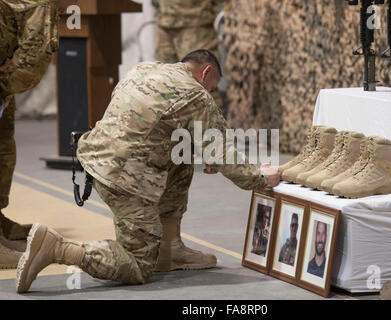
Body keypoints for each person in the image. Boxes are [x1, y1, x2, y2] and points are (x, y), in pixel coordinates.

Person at [15, 49, 281, 293]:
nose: (209, 94)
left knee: (182, 149)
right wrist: (259, 177)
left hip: (94, 158)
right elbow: (221, 154)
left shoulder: (143, 69)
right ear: (206, 72)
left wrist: (199, 146)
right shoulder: (196, 94)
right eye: (211, 88)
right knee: (138, 265)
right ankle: (57, 248)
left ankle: (169, 248)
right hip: (124, 180)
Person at [0, 0, 78, 269]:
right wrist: (5, 85)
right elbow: (31, 63)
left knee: (3, 150)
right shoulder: (43, 3)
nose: (74, 5)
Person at [152, 0, 228, 107]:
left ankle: (207, 124)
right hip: (165, 23)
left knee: (202, 87)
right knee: (167, 87)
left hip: (196, 25)